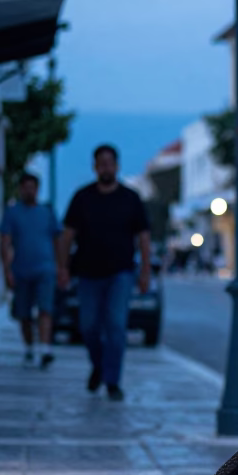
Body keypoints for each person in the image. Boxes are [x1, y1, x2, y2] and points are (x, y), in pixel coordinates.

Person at [56, 145, 151, 401]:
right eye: (101, 163)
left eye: (109, 163)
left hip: (120, 273)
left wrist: (145, 272)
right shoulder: (82, 197)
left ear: (117, 166)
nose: (105, 167)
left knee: (116, 326)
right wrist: (62, 268)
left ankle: (112, 381)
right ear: (95, 166)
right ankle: (99, 365)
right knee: (88, 326)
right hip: (87, 274)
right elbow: (67, 237)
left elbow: (144, 237)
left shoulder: (130, 198)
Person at [0, 172, 60, 368]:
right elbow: (5, 242)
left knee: (45, 309)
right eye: (25, 187)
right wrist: (6, 270)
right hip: (21, 271)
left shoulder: (47, 212)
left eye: (32, 187)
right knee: (24, 313)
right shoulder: (12, 213)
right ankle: (29, 347)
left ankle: (45, 349)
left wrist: (61, 265)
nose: (29, 191)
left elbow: (58, 239)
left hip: (45, 269)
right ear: (20, 189)